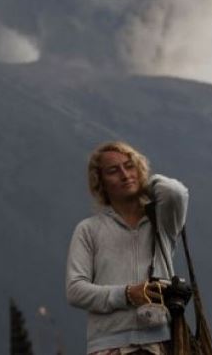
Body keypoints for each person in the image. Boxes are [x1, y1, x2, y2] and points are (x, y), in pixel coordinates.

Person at [66, 141, 189, 355]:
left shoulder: (162, 222)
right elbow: (75, 290)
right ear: (100, 182)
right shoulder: (88, 230)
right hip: (108, 346)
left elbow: (175, 192)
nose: (124, 175)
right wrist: (127, 294)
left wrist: (143, 184)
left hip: (159, 344)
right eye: (113, 171)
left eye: (130, 166)